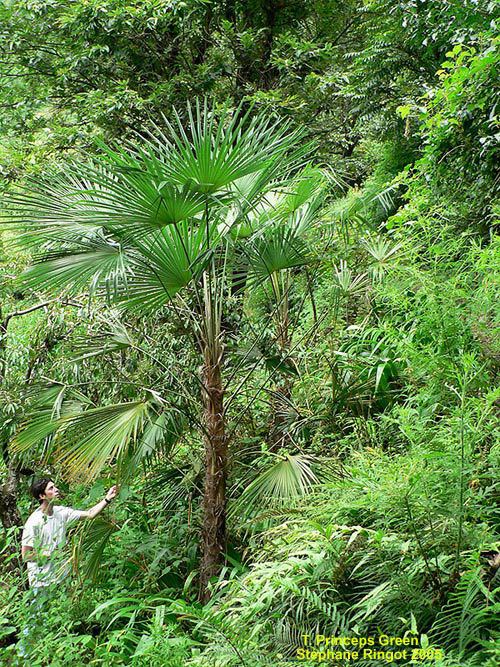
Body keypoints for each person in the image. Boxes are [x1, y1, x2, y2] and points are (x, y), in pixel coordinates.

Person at [17, 478, 118, 659]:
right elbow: (26, 555)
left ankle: (55, 654)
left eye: (55, 487)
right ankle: (23, 657)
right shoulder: (34, 522)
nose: (56, 490)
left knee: (59, 618)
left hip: (61, 579)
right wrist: (46, 555)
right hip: (41, 581)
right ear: (42, 495)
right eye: (51, 488)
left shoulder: (61, 513)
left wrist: (107, 498)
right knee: (35, 621)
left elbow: (89, 514)